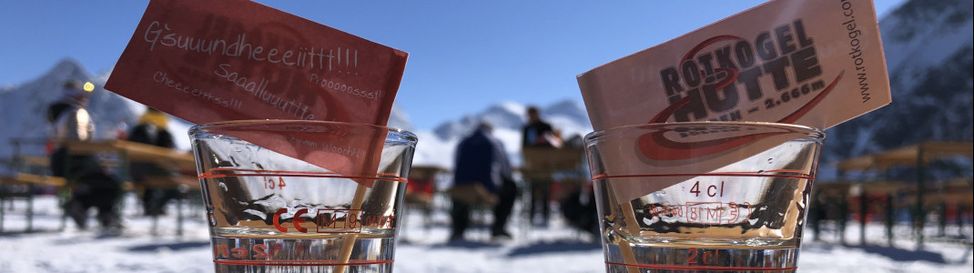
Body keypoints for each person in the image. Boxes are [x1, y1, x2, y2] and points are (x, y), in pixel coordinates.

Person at [48, 81, 123, 231]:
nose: (85, 97)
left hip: (62, 161)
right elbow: (80, 143)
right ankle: (103, 214)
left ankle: (81, 206)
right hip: (75, 161)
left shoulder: (59, 114)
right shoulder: (76, 113)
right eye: (82, 94)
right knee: (110, 183)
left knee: (100, 183)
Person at [449, 122, 516, 241]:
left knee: (460, 194)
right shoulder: (494, 142)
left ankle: (458, 229)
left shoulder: (463, 142)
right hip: (486, 188)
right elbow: (505, 168)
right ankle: (498, 227)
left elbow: (455, 164)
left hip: (461, 189)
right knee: (511, 188)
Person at [127, 108, 180, 216]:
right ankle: (156, 206)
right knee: (175, 184)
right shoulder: (162, 131)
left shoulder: (139, 127)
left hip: (137, 171)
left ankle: (153, 206)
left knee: (166, 184)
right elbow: (170, 152)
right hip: (152, 170)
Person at [521, 106, 560, 226]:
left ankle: (545, 216)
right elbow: (524, 146)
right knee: (533, 192)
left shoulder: (546, 127)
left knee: (546, 192)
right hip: (533, 165)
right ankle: (532, 218)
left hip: (545, 164)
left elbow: (553, 143)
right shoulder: (526, 128)